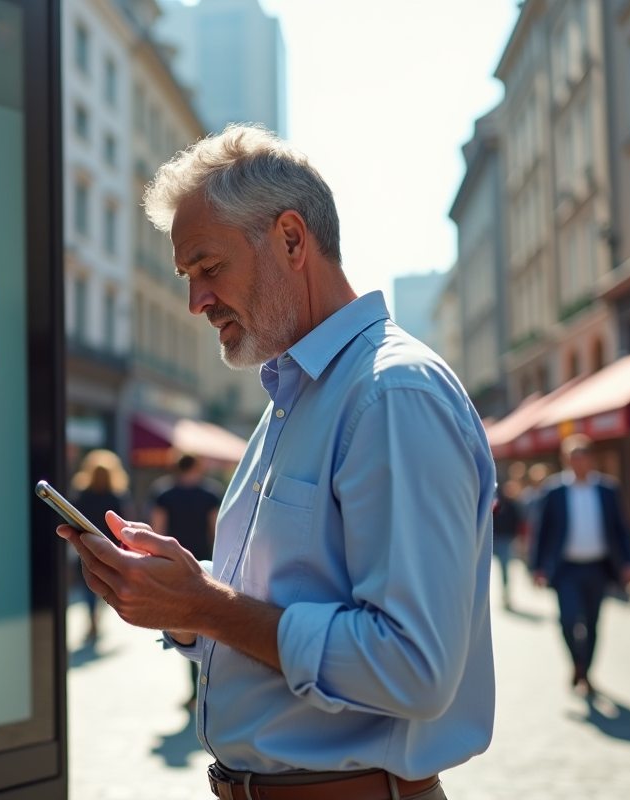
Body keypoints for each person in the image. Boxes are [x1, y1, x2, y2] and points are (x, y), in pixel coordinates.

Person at [58, 125, 494, 800]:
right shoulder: (295, 396)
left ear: (292, 240)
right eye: (187, 277)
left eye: (209, 268)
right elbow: (275, 612)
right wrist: (179, 599)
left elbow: (414, 667)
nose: (196, 301)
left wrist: (208, 605)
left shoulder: (389, 393)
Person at [530, 435, 630, 696]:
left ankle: (585, 672)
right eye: (573, 457)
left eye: (583, 456)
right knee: (568, 620)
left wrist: (629, 561)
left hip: (598, 566)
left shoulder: (607, 489)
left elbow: (621, 528)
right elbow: (541, 531)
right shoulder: (553, 490)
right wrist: (537, 567)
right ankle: (577, 663)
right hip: (566, 568)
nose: (579, 462)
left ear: (591, 459)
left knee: (592, 622)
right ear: (565, 460)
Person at [149, 454, 224, 707]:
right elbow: (216, 530)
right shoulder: (210, 492)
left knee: (185, 624)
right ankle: (209, 688)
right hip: (203, 563)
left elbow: (157, 530)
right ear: (197, 466)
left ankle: (196, 690)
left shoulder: (164, 492)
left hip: (174, 566)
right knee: (209, 624)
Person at [68, 450, 131, 644]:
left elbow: (71, 519)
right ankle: (97, 616)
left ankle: (92, 617)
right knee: (105, 582)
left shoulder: (81, 495)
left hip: (84, 545)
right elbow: (124, 525)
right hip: (109, 548)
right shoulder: (117, 496)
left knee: (87, 584)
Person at [492, 479, 523, 610]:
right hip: (495, 539)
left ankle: (506, 595)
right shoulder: (496, 504)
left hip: (506, 540)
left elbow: (517, 522)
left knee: (505, 568)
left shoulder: (512, 504)